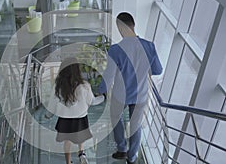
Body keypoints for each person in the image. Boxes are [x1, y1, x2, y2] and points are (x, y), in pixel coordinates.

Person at [98, 12, 162, 164]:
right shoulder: (149, 46)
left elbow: (109, 76)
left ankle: (121, 149)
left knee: (116, 118)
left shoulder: (115, 50)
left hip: (121, 94)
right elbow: (158, 70)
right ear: (133, 25)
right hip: (141, 94)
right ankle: (132, 158)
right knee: (136, 125)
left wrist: (100, 90)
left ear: (120, 28)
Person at [45, 57, 104, 164]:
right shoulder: (84, 86)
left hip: (64, 119)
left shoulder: (58, 86)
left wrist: (48, 115)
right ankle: (81, 153)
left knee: (67, 141)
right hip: (80, 118)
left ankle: (68, 162)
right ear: (77, 70)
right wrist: (103, 97)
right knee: (80, 137)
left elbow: (52, 104)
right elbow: (92, 101)